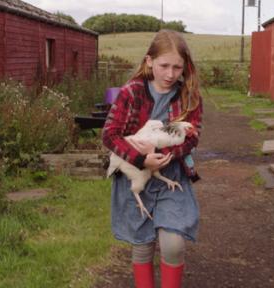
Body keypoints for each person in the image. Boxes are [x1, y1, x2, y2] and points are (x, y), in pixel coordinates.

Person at [102, 29, 203, 288]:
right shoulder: (131, 92)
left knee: (173, 244)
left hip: (172, 176)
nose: (170, 74)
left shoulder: (188, 95)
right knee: (143, 244)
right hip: (137, 176)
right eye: (164, 66)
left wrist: (164, 155)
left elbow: (192, 138)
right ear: (149, 61)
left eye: (177, 67)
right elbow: (110, 136)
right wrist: (141, 159)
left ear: (185, 67)